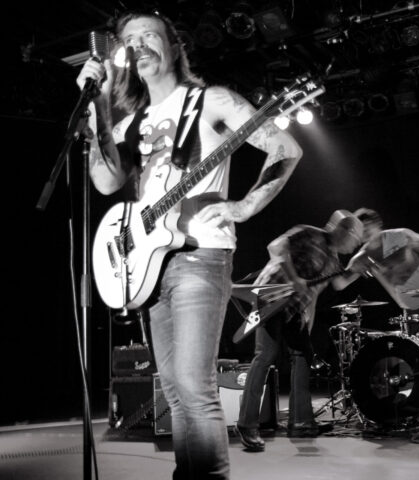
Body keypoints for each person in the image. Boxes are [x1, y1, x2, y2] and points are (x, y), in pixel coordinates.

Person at [76, 11, 302, 479]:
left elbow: (286, 147)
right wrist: (97, 104)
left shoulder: (211, 100)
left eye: (149, 35)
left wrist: (245, 206)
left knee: (195, 387)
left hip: (201, 253)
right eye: (129, 40)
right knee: (175, 392)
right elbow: (104, 181)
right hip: (148, 264)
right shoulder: (131, 121)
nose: (139, 45)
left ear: (174, 47)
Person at [235, 210, 365, 452]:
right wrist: (293, 277)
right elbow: (275, 247)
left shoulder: (333, 260)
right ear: (345, 230)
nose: (355, 245)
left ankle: (301, 423)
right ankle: (246, 424)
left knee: (304, 356)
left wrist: (359, 268)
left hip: (294, 311)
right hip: (271, 299)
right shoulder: (310, 234)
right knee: (265, 356)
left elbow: (337, 283)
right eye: (356, 239)